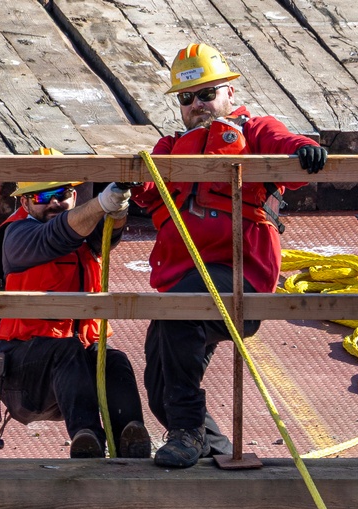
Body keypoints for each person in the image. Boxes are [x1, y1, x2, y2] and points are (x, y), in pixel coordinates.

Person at [132, 44, 329, 470]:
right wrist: (120, 184)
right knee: (159, 378)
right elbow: (143, 189)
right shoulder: (168, 148)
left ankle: (185, 433)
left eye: (207, 94)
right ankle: (215, 449)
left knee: (180, 311)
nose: (198, 105)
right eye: (187, 99)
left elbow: (283, 143)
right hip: (179, 284)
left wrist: (304, 149)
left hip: (239, 278)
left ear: (230, 95)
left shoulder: (253, 131)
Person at [0, 149, 150, 459]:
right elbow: (55, 236)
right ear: (24, 203)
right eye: (42, 196)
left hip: (69, 371)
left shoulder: (83, 235)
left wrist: (119, 204)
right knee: (67, 349)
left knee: (113, 359)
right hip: (21, 372)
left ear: (74, 196)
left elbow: (106, 234)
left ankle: (131, 437)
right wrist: (102, 203)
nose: (53, 203)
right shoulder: (17, 237)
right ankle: (87, 439)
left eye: (61, 193)